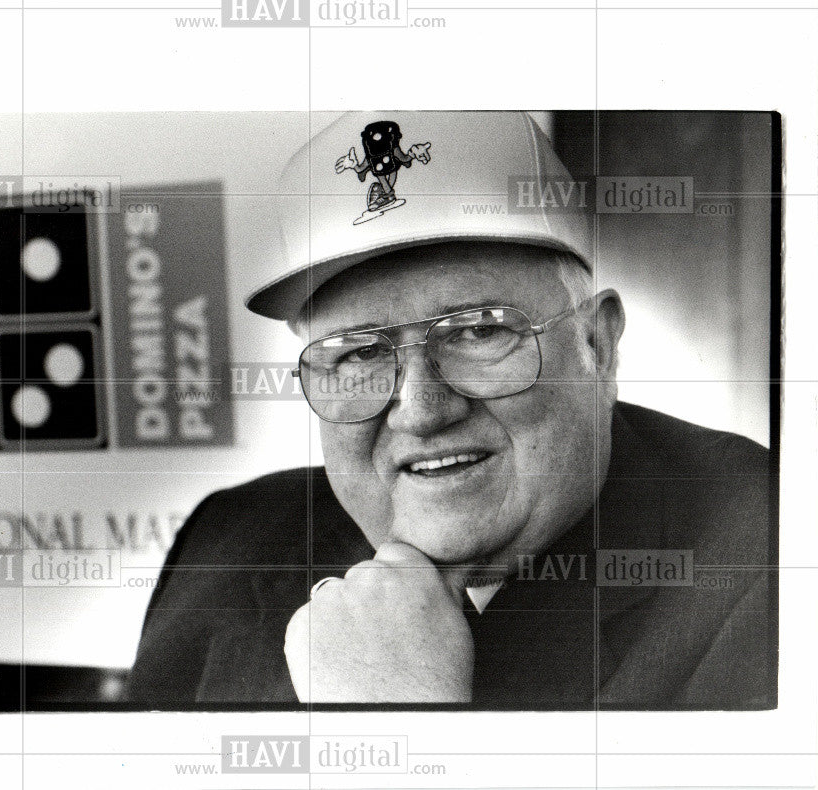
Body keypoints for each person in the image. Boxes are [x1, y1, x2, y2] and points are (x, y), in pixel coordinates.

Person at [126, 111, 775, 709]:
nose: (421, 409)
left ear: (597, 345)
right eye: (355, 354)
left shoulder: (769, 562)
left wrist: (401, 735)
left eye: (479, 331)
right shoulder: (230, 543)